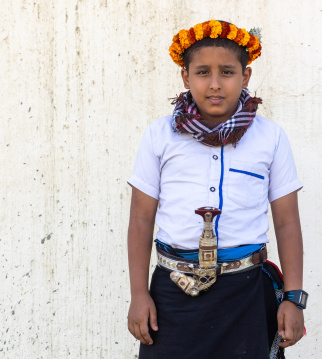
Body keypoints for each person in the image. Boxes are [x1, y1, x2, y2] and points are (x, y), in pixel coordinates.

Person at [126, 20, 307, 359]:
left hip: (247, 293)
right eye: (202, 72)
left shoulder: (270, 137)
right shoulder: (160, 135)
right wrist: (139, 294)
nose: (214, 84)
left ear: (246, 77)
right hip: (173, 291)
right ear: (185, 77)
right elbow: (140, 218)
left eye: (226, 72)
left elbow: (286, 222)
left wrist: (293, 298)